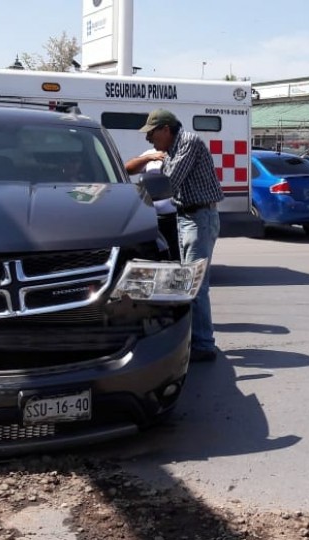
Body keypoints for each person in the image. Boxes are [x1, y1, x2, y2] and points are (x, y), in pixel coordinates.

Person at [137, 108, 223, 362]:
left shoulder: (188, 142)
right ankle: (196, 339)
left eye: (151, 134)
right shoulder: (174, 148)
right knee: (188, 282)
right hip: (187, 216)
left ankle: (204, 344)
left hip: (199, 219)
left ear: (165, 129)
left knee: (196, 285)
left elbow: (169, 181)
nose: (149, 141)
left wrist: (133, 197)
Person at [124, 151, 180, 261]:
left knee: (179, 256)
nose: (149, 138)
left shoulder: (182, 154)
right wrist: (148, 158)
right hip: (153, 217)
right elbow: (127, 169)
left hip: (177, 216)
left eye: (151, 134)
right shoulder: (152, 154)